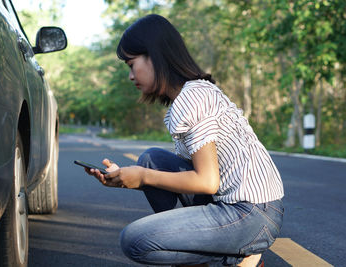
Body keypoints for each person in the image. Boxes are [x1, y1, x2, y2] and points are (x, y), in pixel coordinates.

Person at [85, 14, 284, 267]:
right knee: (151, 160)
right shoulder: (194, 92)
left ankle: (242, 256)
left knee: (135, 240)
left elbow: (206, 181)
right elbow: (189, 178)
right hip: (252, 209)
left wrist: (143, 176)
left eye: (131, 64)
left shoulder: (191, 99)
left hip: (250, 215)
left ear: (155, 56)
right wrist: (127, 177)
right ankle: (218, 253)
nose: (130, 75)